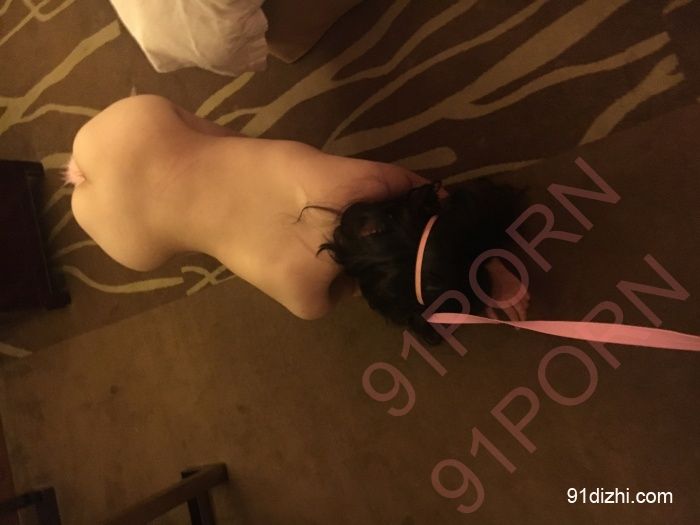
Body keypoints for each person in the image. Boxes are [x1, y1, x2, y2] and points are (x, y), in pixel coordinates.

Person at [66, 94, 529, 344]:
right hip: (127, 235)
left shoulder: (365, 182)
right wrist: (473, 285)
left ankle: (228, 147)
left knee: (221, 142)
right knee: (209, 188)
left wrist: (478, 260)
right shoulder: (307, 298)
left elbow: (436, 196)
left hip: (132, 128)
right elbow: (365, 286)